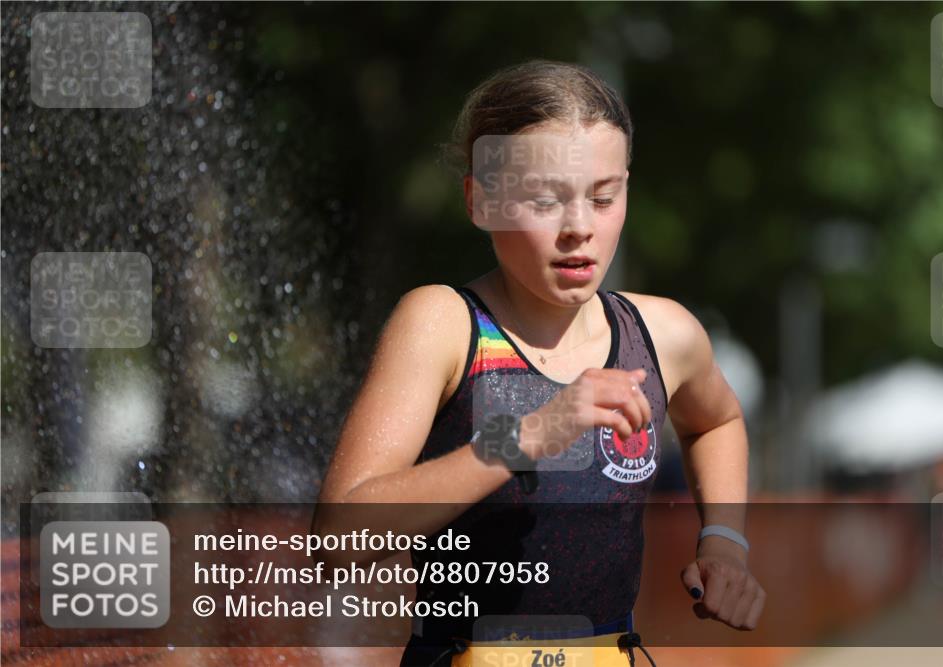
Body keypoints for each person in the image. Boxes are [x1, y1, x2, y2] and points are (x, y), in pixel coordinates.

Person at [313, 59, 765, 667]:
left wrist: (725, 543)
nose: (580, 228)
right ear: (480, 201)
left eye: (604, 197)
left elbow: (717, 420)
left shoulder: (662, 333)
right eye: (545, 201)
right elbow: (339, 544)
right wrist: (528, 434)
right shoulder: (442, 325)